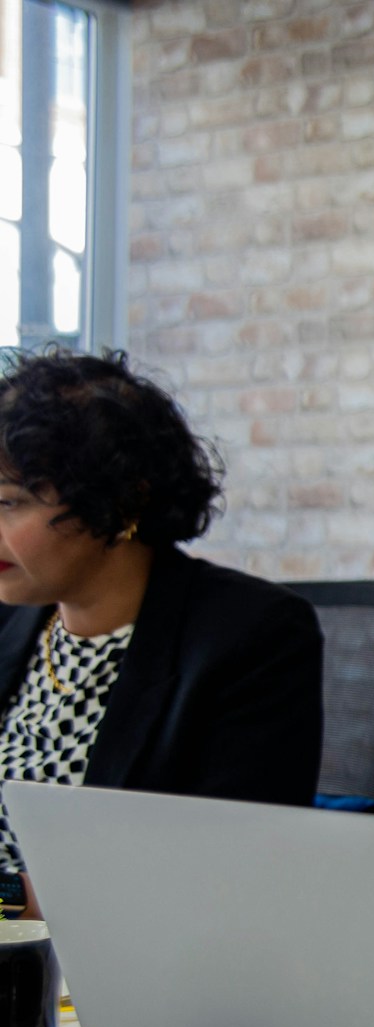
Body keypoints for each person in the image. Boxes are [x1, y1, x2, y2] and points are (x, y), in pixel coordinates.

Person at [0, 348, 324, 919]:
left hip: (109, 959)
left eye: (9, 502)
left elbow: (223, 866)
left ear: (120, 500)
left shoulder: (252, 637)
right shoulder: (11, 622)